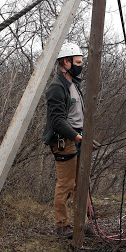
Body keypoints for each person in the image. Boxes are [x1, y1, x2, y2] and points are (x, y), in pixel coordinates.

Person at [42, 42, 85, 238]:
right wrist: (77, 137)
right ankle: (62, 225)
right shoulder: (56, 88)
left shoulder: (74, 84)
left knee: (81, 182)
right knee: (66, 184)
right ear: (66, 62)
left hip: (78, 136)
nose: (80, 65)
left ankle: (80, 224)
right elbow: (57, 120)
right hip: (64, 140)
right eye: (77, 62)